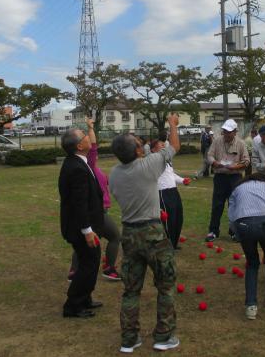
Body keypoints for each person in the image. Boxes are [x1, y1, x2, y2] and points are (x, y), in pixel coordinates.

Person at [109, 113, 181, 353]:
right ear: (139, 151)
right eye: (139, 143)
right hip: (152, 232)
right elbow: (175, 146)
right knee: (166, 284)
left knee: (131, 289)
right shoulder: (148, 165)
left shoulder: (115, 174)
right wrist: (172, 125)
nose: (142, 144)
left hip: (128, 233)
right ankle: (164, 336)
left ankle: (129, 339)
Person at [58, 127, 104, 319]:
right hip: (81, 228)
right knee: (87, 265)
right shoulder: (76, 167)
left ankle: (85, 298)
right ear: (79, 145)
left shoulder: (78, 162)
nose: (88, 138)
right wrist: (87, 231)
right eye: (85, 136)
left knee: (91, 263)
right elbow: (79, 203)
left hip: (85, 226)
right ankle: (73, 305)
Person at [69, 118, 122, 281]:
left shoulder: (91, 166)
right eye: (83, 137)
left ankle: (74, 270)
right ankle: (109, 268)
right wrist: (90, 129)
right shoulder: (88, 165)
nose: (89, 142)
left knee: (85, 241)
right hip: (97, 211)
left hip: (97, 210)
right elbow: (92, 146)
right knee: (114, 237)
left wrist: (90, 127)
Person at [228, 173, 265, 320]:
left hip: (243, 224)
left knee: (252, 263)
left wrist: (238, 233)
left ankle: (251, 305)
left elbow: (232, 215)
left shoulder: (237, 189)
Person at [205, 119, 250, 242]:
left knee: (234, 205)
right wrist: (214, 162)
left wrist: (235, 166)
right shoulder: (217, 141)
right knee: (217, 205)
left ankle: (234, 232)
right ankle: (213, 231)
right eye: (225, 131)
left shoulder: (241, 143)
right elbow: (209, 155)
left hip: (235, 177)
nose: (226, 134)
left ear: (235, 132)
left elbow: (246, 161)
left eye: (229, 131)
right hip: (220, 177)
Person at [151, 138, 188, 249]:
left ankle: (174, 243)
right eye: (160, 145)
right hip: (163, 192)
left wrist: (182, 180)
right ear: (153, 149)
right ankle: (167, 245)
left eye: (164, 145)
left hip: (173, 191)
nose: (163, 146)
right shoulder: (153, 160)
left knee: (178, 217)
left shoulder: (167, 160)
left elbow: (171, 175)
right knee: (168, 220)